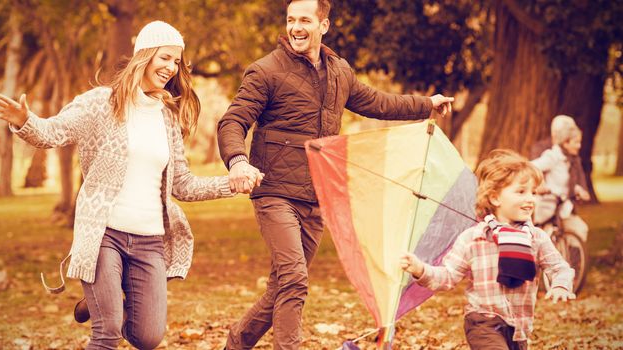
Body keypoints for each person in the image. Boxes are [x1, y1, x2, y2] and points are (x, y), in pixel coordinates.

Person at [216, 0, 454, 348]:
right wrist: (238, 160)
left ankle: (237, 342)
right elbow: (233, 121)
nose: (296, 27)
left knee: (283, 285)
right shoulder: (265, 71)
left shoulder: (339, 71)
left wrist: (426, 104)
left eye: (305, 20)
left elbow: (378, 103)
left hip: (316, 196)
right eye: (291, 20)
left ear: (323, 25)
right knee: (295, 278)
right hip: (275, 193)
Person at [0, 21, 237, 350]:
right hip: (104, 235)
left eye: (176, 61)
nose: (170, 67)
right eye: (164, 58)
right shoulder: (100, 103)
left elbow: (183, 185)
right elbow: (52, 133)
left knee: (148, 337)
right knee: (107, 334)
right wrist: (24, 121)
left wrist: (231, 184)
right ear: (143, 56)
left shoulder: (167, 117)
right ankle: (105, 301)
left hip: (149, 243)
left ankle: (101, 299)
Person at [400, 149, 575, 350]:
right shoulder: (473, 238)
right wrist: (420, 269)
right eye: (521, 191)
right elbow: (448, 276)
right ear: (495, 198)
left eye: (533, 192)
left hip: (519, 328)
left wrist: (561, 284)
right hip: (483, 322)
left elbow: (560, 267)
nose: (531, 199)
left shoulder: (536, 238)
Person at [531, 122, 590, 242]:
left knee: (580, 230)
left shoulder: (570, 160)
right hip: (547, 207)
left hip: (562, 207)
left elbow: (565, 183)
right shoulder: (552, 156)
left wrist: (578, 190)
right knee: (544, 239)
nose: (579, 146)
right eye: (576, 142)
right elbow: (530, 167)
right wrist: (540, 183)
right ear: (565, 143)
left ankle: (571, 259)